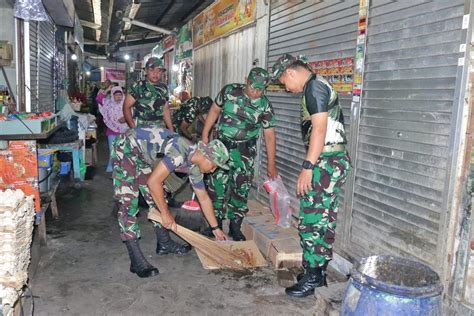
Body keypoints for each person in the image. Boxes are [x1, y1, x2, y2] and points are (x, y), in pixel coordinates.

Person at [271, 54, 351, 297]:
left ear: (291, 73)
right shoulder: (318, 85)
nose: (286, 87)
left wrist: (307, 167)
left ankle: (314, 277)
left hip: (324, 163)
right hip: (330, 161)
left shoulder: (313, 87)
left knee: (312, 220)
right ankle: (317, 273)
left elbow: (319, 129)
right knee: (323, 219)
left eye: (284, 81)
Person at [111, 127, 229, 278]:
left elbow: (203, 198)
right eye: (214, 166)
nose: (213, 171)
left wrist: (215, 228)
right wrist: (166, 214)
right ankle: (136, 260)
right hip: (126, 148)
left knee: (159, 200)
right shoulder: (179, 153)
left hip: (143, 156)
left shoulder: (196, 165)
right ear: (207, 157)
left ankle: (164, 243)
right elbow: (154, 182)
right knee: (128, 202)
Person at [201, 67, 278, 241]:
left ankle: (235, 226)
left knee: (240, 188)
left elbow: (270, 135)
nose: (256, 92)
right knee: (216, 186)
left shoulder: (265, 105)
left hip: (245, 152)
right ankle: (216, 224)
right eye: (253, 87)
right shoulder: (229, 91)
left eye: (260, 89)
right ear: (246, 80)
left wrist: (271, 165)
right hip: (221, 148)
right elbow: (214, 110)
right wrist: (205, 135)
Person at [123, 57, 174, 130]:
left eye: (159, 71)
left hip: (159, 129)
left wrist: (171, 130)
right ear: (146, 71)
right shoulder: (137, 86)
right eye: (151, 70)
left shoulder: (163, 88)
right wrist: (133, 128)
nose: (155, 73)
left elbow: (165, 109)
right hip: (141, 128)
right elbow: (126, 107)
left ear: (162, 73)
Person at [97, 86, 128, 172]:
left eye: (120, 95)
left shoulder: (126, 104)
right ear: (112, 96)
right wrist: (107, 90)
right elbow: (99, 98)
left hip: (124, 130)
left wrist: (125, 118)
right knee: (112, 150)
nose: (118, 97)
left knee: (122, 150)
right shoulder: (108, 104)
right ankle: (111, 167)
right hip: (111, 131)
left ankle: (121, 168)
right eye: (116, 95)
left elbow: (132, 113)